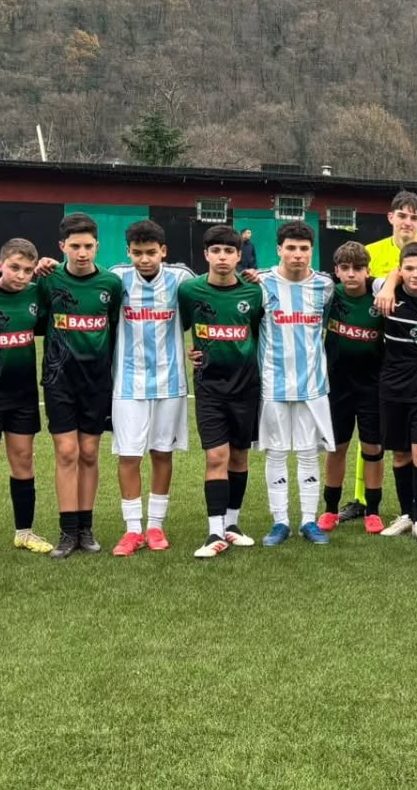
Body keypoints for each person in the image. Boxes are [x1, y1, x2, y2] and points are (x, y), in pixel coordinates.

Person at [355, 190, 417, 519]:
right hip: (381, 355)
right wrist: (387, 284)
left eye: (414, 217)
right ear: (390, 217)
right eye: (402, 215)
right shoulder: (371, 251)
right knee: (377, 434)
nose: (407, 222)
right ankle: (362, 497)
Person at [106, 220, 195, 556]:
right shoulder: (116, 277)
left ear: (163, 251)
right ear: (128, 252)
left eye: (151, 252)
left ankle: (155, 526)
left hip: (170, 383)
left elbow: (208, 298)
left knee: (161, 453)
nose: (144, 259)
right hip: (128, 383)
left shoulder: (181, 278)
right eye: (137, 253)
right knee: (129, 455)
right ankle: (132, 530)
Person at [38, 213, 123, 559]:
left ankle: (85, 529)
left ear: (97, 246)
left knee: (89, 453)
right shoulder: (48, 280)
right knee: (66, 452)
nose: (82, 252)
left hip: (97, 380)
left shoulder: (111, 284)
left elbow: (115, 327)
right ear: (62, 246)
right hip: (58, 379)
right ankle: (67, 531)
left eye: (88, 245)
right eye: (75, 246)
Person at [178, 225, 263, 557]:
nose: (222, 257)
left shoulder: (253, 292)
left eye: (229, 251)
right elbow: (176, 328)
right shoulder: (190, 291)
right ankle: (214, 532)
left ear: (239, 256)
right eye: (216, 251)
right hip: (209, 386)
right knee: (216, 456)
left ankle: (232, 525)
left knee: (239, 456)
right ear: (206, 255)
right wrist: (189, 352)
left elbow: (257, 331)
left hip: (246, 386)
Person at [257, 221, 336, 546]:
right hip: (273, 384)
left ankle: (308, 520)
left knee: (308, 452)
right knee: (276, 453)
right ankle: (280, 522)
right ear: (279, 250)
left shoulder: (324, 286)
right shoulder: (261, 284)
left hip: (312, 386)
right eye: (291, 248)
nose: (298, 254)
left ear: (311, 251)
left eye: (304, 249)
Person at [374, 244, 417, 545]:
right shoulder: (384, 291)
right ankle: (405, 515)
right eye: (409, 269)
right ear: (400, 270)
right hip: (392, 385)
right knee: (400, 453)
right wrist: (390, 283)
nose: (416, 274)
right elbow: (371, 281)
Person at [320, 242, 386, 536]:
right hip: (337, 385)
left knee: (373, 448)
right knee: (337, 447)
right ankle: (330, 509)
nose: (351, 274)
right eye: (345, 268)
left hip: (372, 385)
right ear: (336, 271)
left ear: (367, 271)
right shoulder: (328, 296)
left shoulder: (380, 297)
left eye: (358, 268)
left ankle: (373, 511)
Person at [0, 237, 51, 552]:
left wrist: (51, 267)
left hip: (22, 395)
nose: (20, 275)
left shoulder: (34, 294)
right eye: (14, 267)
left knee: (23, 460)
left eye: (28, 270)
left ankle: (25, 533)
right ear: (0, 265)